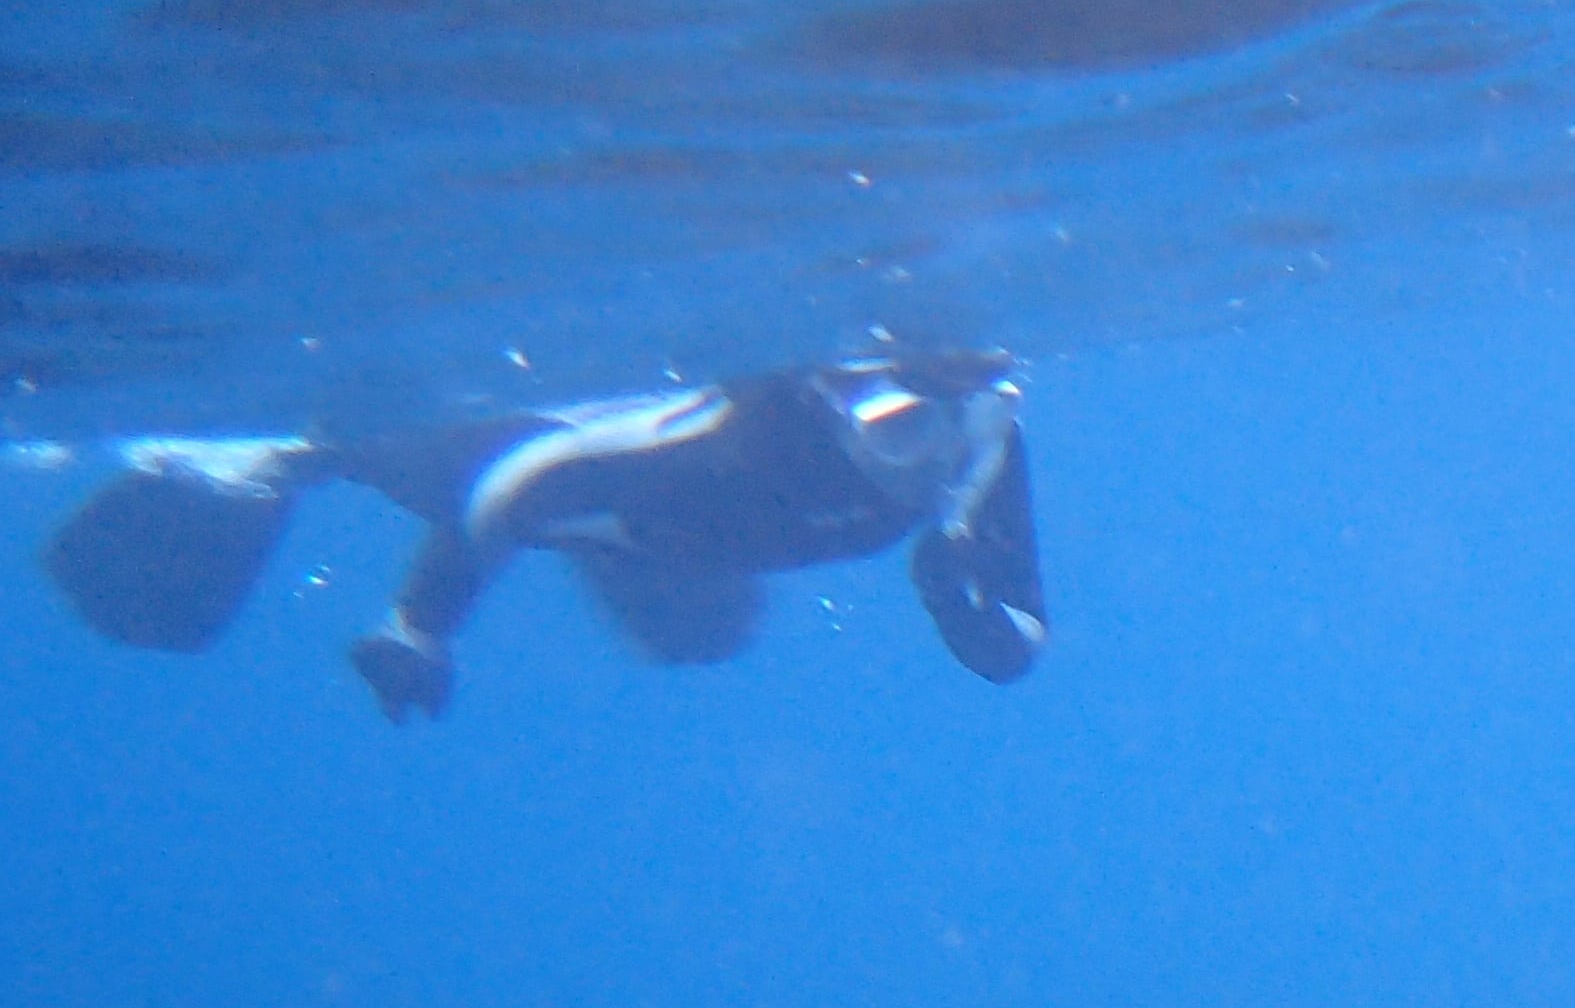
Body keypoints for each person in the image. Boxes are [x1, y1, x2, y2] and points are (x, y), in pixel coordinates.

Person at [38, 349, 1046, 720]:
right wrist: (416, 625)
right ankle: (285, 454)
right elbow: (512, 492)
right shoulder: (728, 445)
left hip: (658, 520)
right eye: (910, 415)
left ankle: (300, 454)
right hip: (498, 450)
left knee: (697, 627)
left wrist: (958, 604)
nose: (941, 434)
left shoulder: (977, 442)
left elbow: (1015, 633)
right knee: (381, 444)